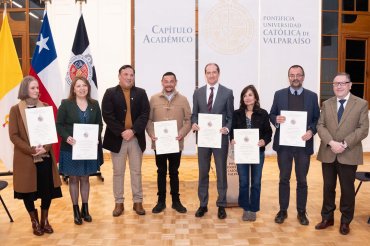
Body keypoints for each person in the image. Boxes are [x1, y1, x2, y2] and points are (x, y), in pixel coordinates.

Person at [315, 72, 369, 235]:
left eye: (342, 83)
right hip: (328, 152)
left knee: (347, 189)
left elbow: (363, 129)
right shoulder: (327, 103)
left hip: (349, 153)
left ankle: (345, 221)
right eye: (335, 84)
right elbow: (320, 125)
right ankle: (327, 218)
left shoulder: (361, 104)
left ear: (350, 85)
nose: (338, 86)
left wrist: (344, 144)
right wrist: (331, 142)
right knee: (328, 187)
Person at [8, 76, 62, 236]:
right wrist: (31, 150)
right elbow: (14, 135)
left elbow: (51, 132)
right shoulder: (15, 110)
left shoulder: (45, 107)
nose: (37, 91)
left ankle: (45, 220)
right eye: (33, 88)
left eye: (37, 88)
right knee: (27, 191)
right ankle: (34, 220)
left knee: (47, 190)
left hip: (44, 156)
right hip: (26, 158)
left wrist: (45, 148)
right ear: (25, 90)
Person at [269, 65, 320, 225]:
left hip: (303, 146)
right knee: (283, 178)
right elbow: (272, 114)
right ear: (288, 77)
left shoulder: (312, 96)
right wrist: (275, 120)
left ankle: (301, 212)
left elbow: (317, 119)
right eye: (292, 75)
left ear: (303, 77)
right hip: (284, 146)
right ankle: (283, 210)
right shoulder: (279, 94)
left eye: (298, 75)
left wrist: (311, 131)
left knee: (302, 180)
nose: (295, 78)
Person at [102, 65, 150, 216]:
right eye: (126, 74)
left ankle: (138, 202)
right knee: (118, 172)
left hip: (136, 139)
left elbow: (145, 114)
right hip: (117, 139)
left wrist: (133, 130)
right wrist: (122, 132)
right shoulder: (110, 93)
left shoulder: (141, 93)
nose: (129, 77)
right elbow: (107, 115)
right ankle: (119, 203)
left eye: (131, 75)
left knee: (136, 172)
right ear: (119, 76)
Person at [56, 76, 103, 225]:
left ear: (88, 88)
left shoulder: (94, 104)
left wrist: (96, 136)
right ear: (73, 89)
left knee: (85, 178)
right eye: (78, 86)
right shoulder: (66, 104)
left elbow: (99, 124)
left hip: (87, 149)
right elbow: (59, 125)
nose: (82, 88)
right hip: (71, 149)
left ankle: (85, 209)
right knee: (74, 179)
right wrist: (66, 137)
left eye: (84, 85)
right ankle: (75, 210)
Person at [191, 63, 234, 219]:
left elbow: (230, 116)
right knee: (203, 172)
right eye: (208, 72)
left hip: (220, 139)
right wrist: (194, 123)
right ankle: (203, 204)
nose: (211, 75)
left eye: (214, 72)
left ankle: (221, 205)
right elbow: (194, 114)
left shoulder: (227, 93)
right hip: (203, 139)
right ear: (205, 74)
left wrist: (227, 129)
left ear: (218, 73)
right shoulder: (198, 93)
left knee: (221, 173)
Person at [146, 72, 192, 214]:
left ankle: (176, 202)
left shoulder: (183, 100)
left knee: (174, 172)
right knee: (161, 172)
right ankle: (161, 202)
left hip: (175, 143)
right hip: (159, 143)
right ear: (162, 82)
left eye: (171, 81)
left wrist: (182, 133)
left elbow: (188, 120)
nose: (169, 84)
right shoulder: (153, 99)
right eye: (166, 81)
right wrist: (152, 134)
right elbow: (148, 120)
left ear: (175, 82)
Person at [230, 85, 272, 221]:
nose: (247, 98)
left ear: (255, 98)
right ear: (242, 98)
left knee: (255, 182)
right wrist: (232, 140)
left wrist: (263, 141)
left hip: (257, 152)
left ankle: (253, 209)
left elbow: (268, 132)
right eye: (245, 95)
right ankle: (245, 208)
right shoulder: (236, 113)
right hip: (242, 153)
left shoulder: (263, 113)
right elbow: (232, 131)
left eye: (250, 95)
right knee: (243, 182)